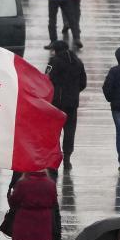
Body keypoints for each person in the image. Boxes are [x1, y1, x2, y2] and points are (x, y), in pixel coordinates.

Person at [48, 40, 86, 170]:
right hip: (72, 103)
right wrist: (74, 92)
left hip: (56, 103)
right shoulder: (78, 62)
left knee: (54, 131)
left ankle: (54, 157)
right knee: (70, 131)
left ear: (57, 50)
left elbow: (46, 78)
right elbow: (83, 83)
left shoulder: (54, 62)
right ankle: (67, 158)